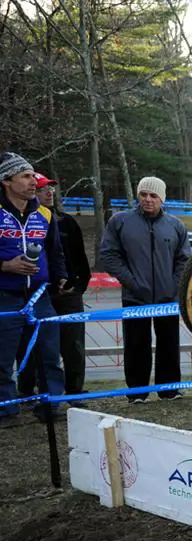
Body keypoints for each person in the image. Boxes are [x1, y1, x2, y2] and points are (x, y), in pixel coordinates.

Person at [99, 176, 190, 403]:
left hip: (167, 297)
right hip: (134, 296)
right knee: (136, 344)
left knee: (169, 343)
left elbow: (184, 259)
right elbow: (109, 255)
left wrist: (173, 286)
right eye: (143, 194)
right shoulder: (120, 221)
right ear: (138, 196)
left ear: (162, 198)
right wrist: (132, 282)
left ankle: (169, 390)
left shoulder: (175, 225)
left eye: (153, 195)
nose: (148, 199)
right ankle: (136, 393)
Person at [0, 153, 67, 428]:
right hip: (5, 295)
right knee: (3, 358)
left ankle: (51, 404)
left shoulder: (45, 213)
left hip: (40, 296)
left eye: (33, 176)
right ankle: (6, 410)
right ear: (6, 181)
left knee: (50, 354)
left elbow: (55, 251)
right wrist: (5, 265)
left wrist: (61, 276)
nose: (33, 182)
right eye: (25, 176)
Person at [15, 173, 91, 399]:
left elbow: (80, 260)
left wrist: (75, 286)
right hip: (36, 293)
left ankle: (75, 390)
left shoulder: (67, 222)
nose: (49, 193)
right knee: (32, 344)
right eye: (42, 189)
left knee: (73, 345)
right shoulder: (22, 222)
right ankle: (28, 391)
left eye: (51, 188)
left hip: (68, 294)